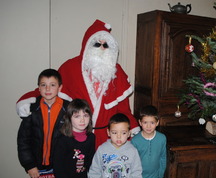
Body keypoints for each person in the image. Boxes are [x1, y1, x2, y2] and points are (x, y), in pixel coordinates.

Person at [16, 19, 140, 148]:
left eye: (106, 45)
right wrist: (28, 98)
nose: (102, 48)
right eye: (97, 44)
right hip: (77, 135)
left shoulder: (117, 72)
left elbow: (124, 109)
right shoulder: (70, 67)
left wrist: (133, 126)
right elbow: (50, 88)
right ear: (87, 44)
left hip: (107, 138)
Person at [17, 68, 69, 178]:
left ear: (60, 87)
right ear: (39, 88)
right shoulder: (31, 110)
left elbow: (73, 140)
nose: (48, 89)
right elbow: (23, 140)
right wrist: (29, 165)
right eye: (43, 85)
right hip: (37, 167)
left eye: (53, 85)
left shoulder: (68, 110)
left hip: (61, 166)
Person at [88, 113, 142, 178]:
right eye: (114, 132)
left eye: (123, 133)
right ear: (108, 132)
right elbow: (95, 171)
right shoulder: (102, 149)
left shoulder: (132, 151)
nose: (119, 136)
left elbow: (136, 172)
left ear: (129, 133)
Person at [52, 99, 95, 178]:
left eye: (85, 115)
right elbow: (58, 169)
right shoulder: (62, 140)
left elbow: (90, 163)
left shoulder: (91, 138)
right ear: (69, 118)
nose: (82, 120)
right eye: (77, 116)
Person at [131, 105, 167, 178]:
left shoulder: (162, 138)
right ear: (140, 122)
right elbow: (132, 162)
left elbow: (163, 159)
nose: (148, 126)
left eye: (152, 123)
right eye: (145, 122)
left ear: (157, 123)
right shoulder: (135, 141)